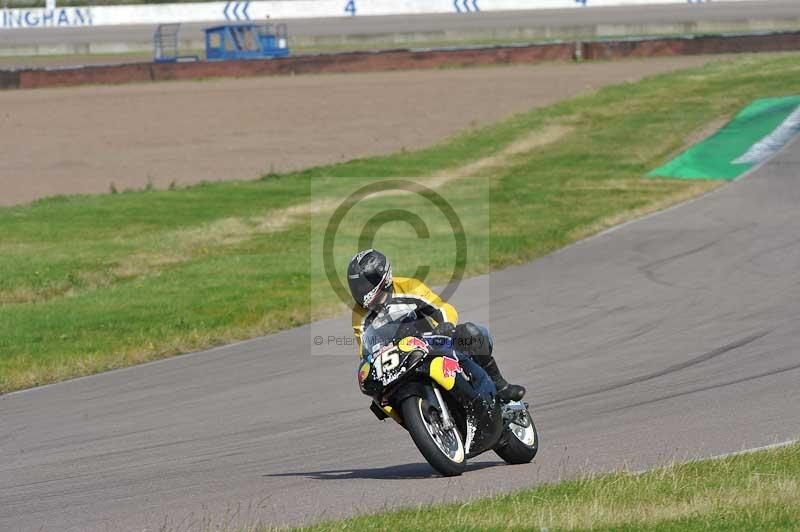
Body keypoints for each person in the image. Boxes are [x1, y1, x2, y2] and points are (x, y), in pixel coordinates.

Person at [348, 248, 525, 401]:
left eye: (364, 286)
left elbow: (442, 308)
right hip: (400, 361)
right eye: (356, 287)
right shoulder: (359, 315)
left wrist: (445, 325)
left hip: (434, 343)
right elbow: (365, 351)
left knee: (471, 333)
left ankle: (500, 386)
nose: (361, 292)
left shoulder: (409, 287)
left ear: (383, 277)